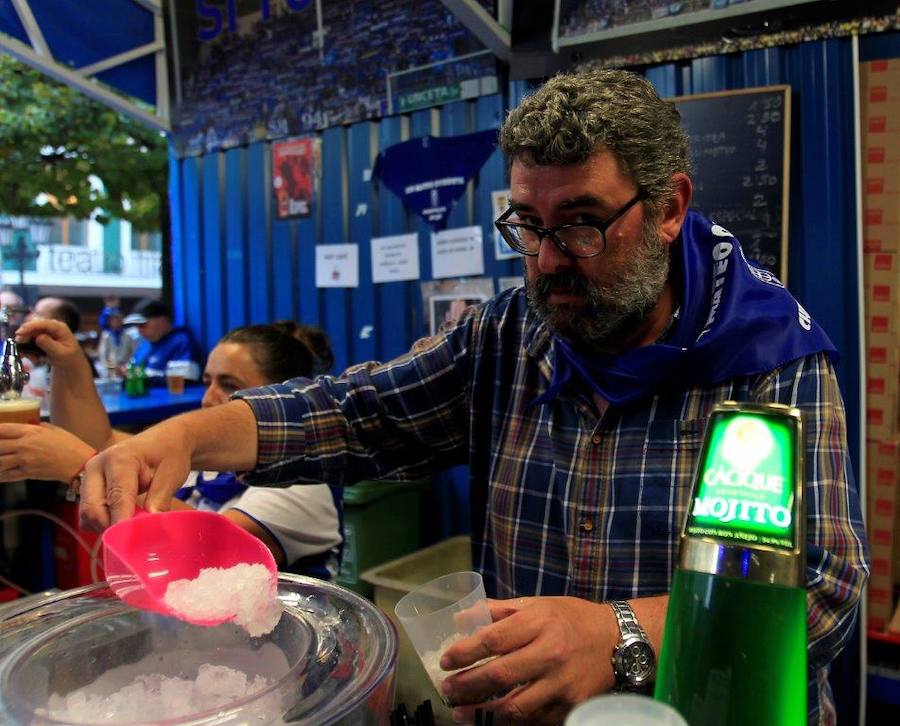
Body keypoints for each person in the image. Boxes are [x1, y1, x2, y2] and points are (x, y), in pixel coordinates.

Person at [78, 69, 868, 725]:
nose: (550, 261)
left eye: (583, 225)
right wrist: (185, 437)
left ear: (667, 208)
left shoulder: (766, 360)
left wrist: (622, 635)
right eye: (528, 224)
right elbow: (359, 411)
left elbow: (822, 597)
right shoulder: (507, 337)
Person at [1, 317, 342, 577]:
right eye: (208, 381)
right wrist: (70, 364)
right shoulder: (205, 457)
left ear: (278, 400)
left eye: (230, 385)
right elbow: (104, 445)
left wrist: (79, 467)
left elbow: (221, 559)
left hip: (276, 654)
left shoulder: (302, 483)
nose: (209, 399)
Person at [123, 298, 201, 383]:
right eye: (136, 326)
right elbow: (134, 370)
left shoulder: (181, 341)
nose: (139, 330)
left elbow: (186, 379)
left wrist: (145, 379)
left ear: (162, 320)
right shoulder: (145, 344)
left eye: (142, 325)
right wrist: (124, 372)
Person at [97, 307, 137, 378]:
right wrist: (112, 368)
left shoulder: (128, 335)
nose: (116, 321)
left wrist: (127, 367)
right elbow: (103, 355)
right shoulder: (106, 336)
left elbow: (134, 353)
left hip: (125, 368)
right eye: (114, 319)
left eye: (118, 319)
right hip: (111, 370)